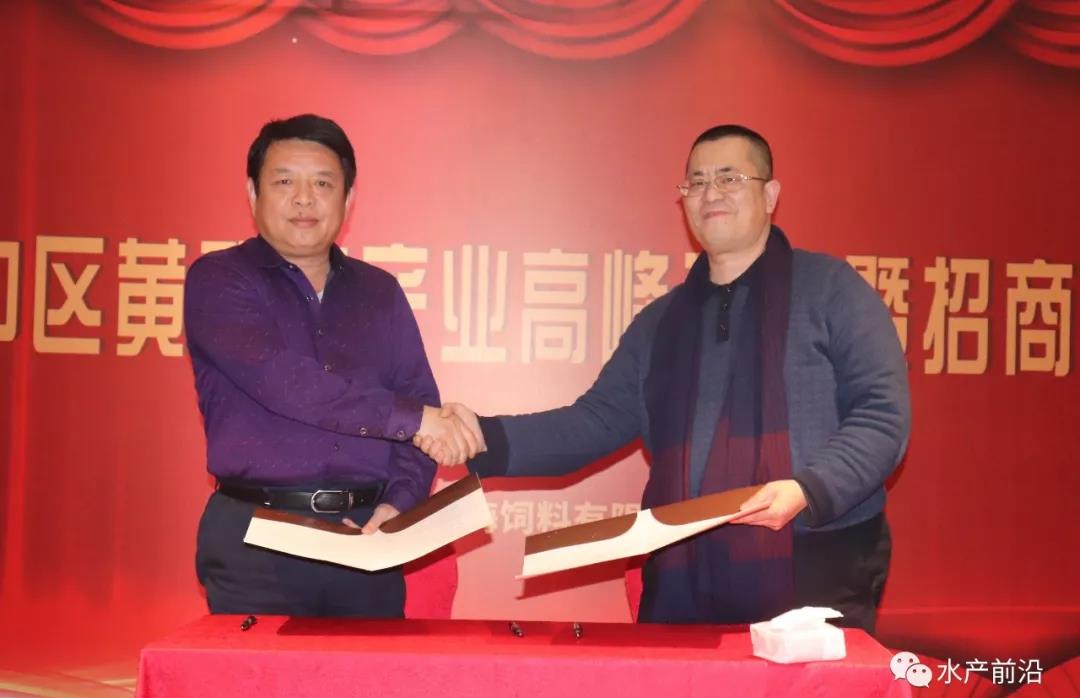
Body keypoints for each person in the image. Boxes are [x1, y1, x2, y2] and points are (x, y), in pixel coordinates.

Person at [427, 125, 910, 633]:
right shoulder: (660, 323)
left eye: (729, 178)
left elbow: (882, 416)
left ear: (770, 195)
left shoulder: (832, 290)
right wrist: (483, 435)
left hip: (814, 562)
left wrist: (808, 489)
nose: (710, 193)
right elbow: (593, 423)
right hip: (684, 577)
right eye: (696, 182)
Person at [184, 114, 478, 616]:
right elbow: (286, 383)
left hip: (365, 541)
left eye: (323, 184)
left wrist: (397, 505)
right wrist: (417, 420)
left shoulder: (380, 292)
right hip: (257, 540)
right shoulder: (218, 280)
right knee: (255, 672)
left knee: (364, 672)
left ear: (348, 198)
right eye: (284, 182)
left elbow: (418, 397)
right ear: (253, 193)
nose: (304, 199)